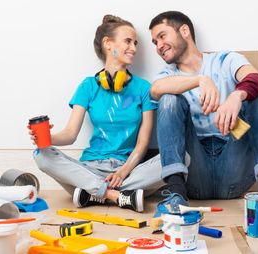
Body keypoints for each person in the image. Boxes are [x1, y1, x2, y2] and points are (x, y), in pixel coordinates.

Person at [30, 15, 164, 213]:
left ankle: (92, 194)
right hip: (89, 169)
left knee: (180, 156)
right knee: (41, 155)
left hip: (128, 171)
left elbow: (143, 143)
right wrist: (47, 138)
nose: (134, 48)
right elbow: (70, 134)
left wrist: (124, 170)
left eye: (135, 43)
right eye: (128, 41)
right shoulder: (88, 86)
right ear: (108, 43)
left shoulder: (144, 88)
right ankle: (116, 196)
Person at [148, 11, 258, 211]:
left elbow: (257, 80)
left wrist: (237, 96)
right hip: (193, 173)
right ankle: (176, 195)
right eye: (154, 42)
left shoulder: (225, 60)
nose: (158, 46)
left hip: (234, 164)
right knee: (168, 99)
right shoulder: (168, 75)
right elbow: (155, 89)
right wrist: (200, 80)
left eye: (162, 36)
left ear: (184, 31)